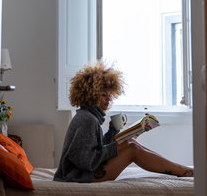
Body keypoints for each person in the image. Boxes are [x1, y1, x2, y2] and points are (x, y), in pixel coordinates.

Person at [54, 61, 194, 183]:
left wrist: (112, 132)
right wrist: (114, 146)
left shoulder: (88, 117)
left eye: (110, 95)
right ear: (90, 95)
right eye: (103, 95)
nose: (108, 100)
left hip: (81, 173)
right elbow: (86, 161)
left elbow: (95, 149)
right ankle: (182, 170)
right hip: (77, 177)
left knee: (130, 142)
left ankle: (180, 169)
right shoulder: (87, 120)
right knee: (132, 148)